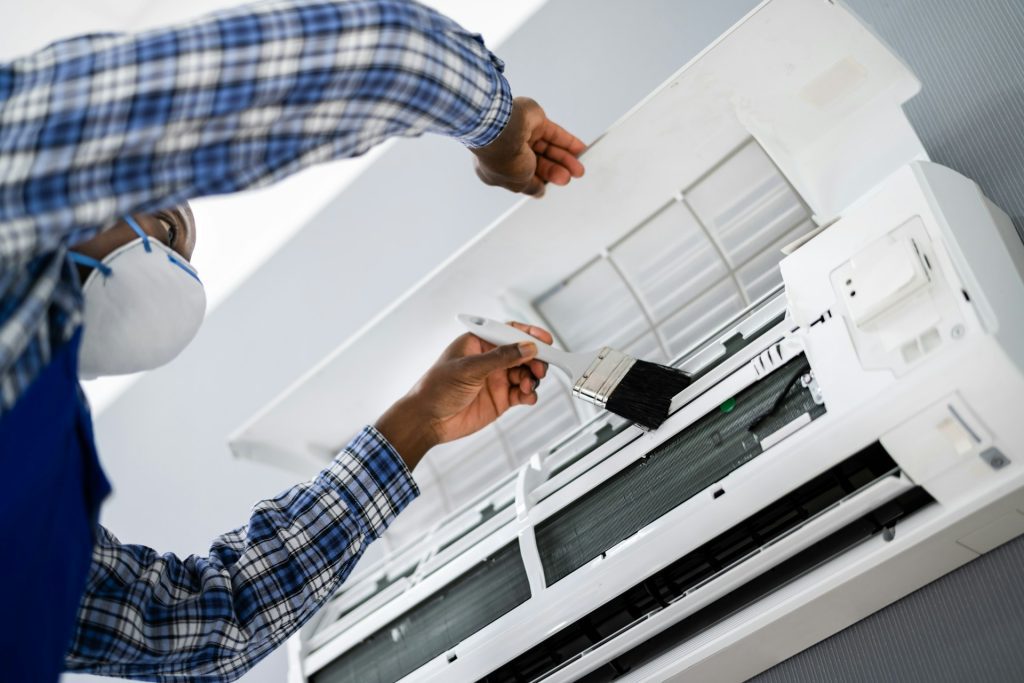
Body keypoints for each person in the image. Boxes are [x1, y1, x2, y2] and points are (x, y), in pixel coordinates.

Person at [0, 0, 586, 679]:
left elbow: (212, 627)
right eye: (166, 222)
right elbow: (391, 54)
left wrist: (421, 417)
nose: (170, 252)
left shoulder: (41, 517)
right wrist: (502, 133)